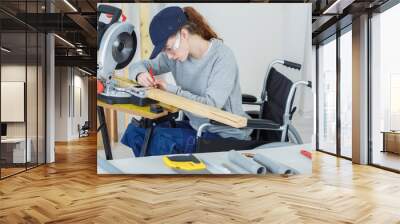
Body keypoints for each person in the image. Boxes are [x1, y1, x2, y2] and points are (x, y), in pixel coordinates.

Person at [121, 6, 252, 156]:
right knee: (137, 132)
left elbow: (210, 108)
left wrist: (171, 90)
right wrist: (140, 74)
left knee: (160, 140)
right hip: (197, 127)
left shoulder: (222, 57)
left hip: (224, 134)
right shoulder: (176, 56)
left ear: (183, 34)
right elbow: (139, 65)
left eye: (168, 48)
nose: (168, 56)